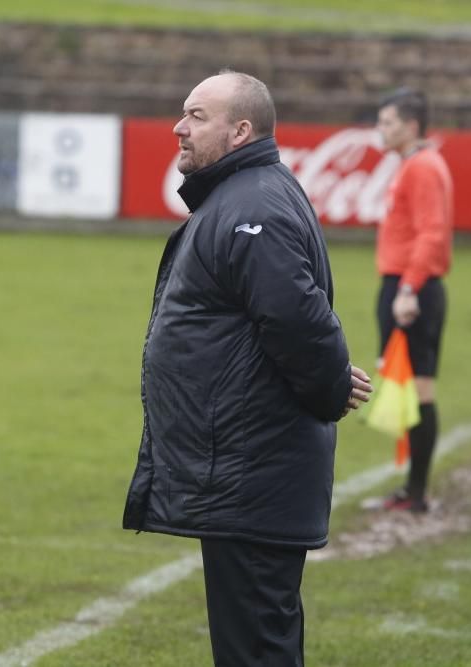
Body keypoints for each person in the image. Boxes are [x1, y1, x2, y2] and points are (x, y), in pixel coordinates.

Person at [122, 70, 372, 666]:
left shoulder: (250, 205)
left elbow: (296, 318)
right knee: (253, 643)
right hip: (243, 470)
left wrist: (331, 384)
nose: (180, 128)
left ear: (240, 131)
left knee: (256, 648)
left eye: (197, 116)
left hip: (250, 470)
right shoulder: (244, 197)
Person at [367, 88, 453, 514]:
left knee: (418, 387)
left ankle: (417, 492)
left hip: (411, 288)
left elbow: (432, 233)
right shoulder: (412, 165)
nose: (380, 130)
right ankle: (411, 488)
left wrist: (407, 289)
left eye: (387, 122)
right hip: (402, 283)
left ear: (411, 126)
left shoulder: (422, 168)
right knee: (405, 388)